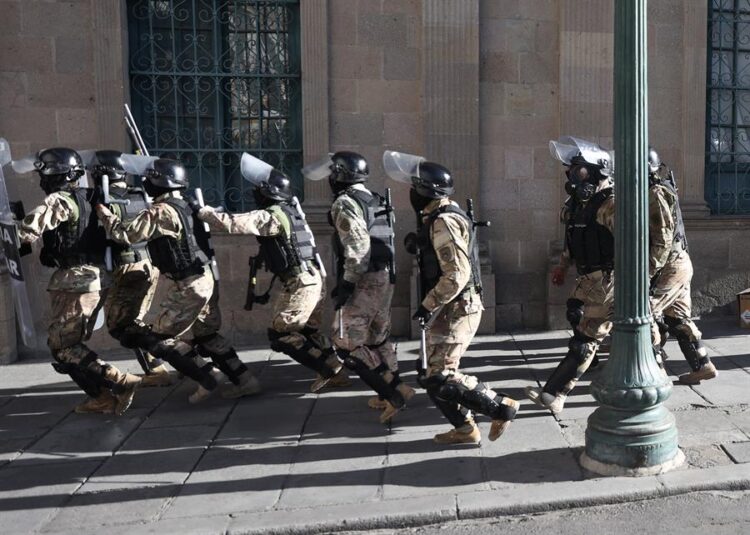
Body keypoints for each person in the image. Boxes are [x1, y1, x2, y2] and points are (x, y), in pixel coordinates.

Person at [96, 156, 261, 403]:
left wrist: (103, 211)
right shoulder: (185, 204)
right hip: (206, 279)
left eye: (150, 179)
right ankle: (245, 380)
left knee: (159, 338)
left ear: (160, 183)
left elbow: (125, 234)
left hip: (189, 285)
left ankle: (207, 376)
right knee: (206, 336)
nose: (145, 183)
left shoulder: (162, 211)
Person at [384, 150, 519, 444]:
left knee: (440, 376)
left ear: (424, 192)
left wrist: (426, 305)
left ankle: (500, 406)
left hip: (457, 306)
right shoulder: (438, 216)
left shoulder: (443, 220)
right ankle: (464, 428)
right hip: (449, 305)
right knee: (430, 375)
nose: (411, 194)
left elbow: (457, 274)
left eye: (414, 188)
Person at [198, 153, 347, 392]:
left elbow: (232, 223)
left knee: (281, 336)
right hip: (313, 278)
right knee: (307, 331)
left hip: (300, 282)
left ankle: (327, 369)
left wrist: (204, 212)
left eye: (258, 189)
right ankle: (334, 363)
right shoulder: (290, 211)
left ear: (267, 192)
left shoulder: (270, 216)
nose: (255, 193)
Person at [16, 147, 141, 415]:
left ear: (51, 175)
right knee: (64, 346)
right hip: (94, 278)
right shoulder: (89, 197)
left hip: (75, 282)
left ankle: (119, 380)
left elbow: (28, 232)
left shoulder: (58, 200)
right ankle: (101, 398)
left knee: (64, 347)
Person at [303, 151, 414, 423]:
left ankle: (391, 395)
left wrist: (347, 284)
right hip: (384, 277)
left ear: (339, 175)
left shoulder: (345, 202)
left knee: (347, 344)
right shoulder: (373, 198)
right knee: (378, 338)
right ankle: (398, 385)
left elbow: (358, 247)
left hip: (363, 279)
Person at [526, 137, 615, 415]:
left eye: (581, 171)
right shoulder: (578, 204)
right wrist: (562, 267)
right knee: (575, 312)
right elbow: (572, 240)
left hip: (608, 279)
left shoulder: (611, 204)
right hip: (588, 278)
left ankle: (555, 393)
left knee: (585, 339)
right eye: (573, 171)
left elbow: (633, 245)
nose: (574, 178)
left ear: (598, 171)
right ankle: (597, 360)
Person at [84, 150, 170, 387]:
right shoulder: (139, 194)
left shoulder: (102, 199)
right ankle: (159, 368)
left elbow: (99, 235)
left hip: (125, 267)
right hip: (147, 265)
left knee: (123, 326)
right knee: (134, 322)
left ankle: (171, 360)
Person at [648, 147, 717, 384]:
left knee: (646, 313)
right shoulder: (661, 188)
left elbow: (663, 237)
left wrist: (649, 270)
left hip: (669, 264)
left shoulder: (655, 192)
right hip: (678, 262)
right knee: (677, 317)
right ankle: (703, 364)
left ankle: (657, 372)